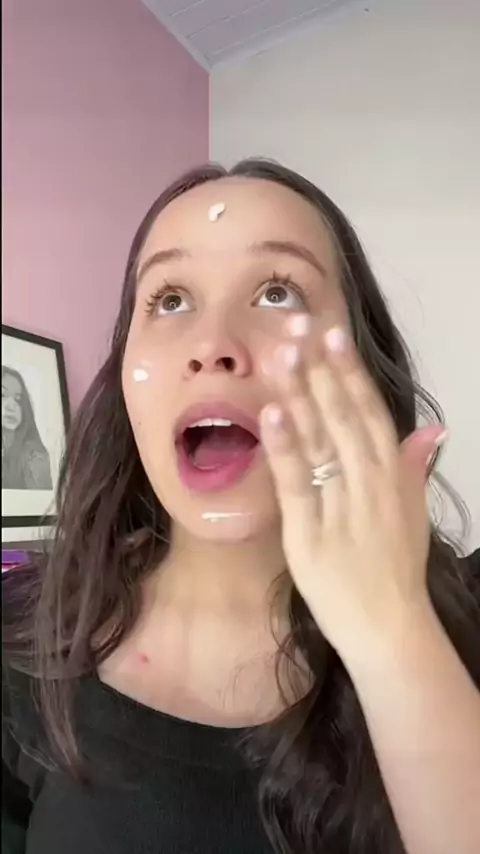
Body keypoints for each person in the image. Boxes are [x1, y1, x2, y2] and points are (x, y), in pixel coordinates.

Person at [2, 160, 480, 854]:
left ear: (365, 367)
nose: (212, 346)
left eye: (278, 292)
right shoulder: (17, 647)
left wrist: (393, 629)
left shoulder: (462, 630)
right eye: (170, 299)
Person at [2, 365, 53, 491]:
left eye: (18, 399)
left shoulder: (34, 455)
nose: (12, 406)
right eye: (2, 395)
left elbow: (41, 499)